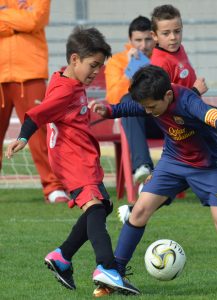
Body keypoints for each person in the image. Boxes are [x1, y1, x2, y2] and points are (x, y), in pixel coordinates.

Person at [91, 65, 217, 295]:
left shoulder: (188, 101)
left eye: (152, 107)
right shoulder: (153, 100)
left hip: (209, 167)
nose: (148, 112)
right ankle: (115, 274)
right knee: (138, 212)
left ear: (167, 95)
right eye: (146, 107)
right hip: (173, 163)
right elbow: (132, 108)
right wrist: (109, 110)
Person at [5, 26, 140, 297]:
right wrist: (23, 137)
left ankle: (62, 257)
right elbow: (36, 114)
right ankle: (107, 267)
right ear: (75, 59)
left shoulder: (65, 80)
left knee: (100, 206)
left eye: (100, 67)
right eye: (93, 65)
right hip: (73, 161)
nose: (96, 72)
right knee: (95, 211)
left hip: (82, 159)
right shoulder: (65, 90)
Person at [118, 4, 217, 223]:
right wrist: (195, 91)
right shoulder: (160, 63)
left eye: (177, 31)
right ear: (155, 36)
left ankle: (137, 208)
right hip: (178, 123)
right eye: (166, 33)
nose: (173, 37)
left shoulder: (178, 51)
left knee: (213, 154)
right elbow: (168, 102)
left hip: (190, 120)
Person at [0, 0, 69, 203]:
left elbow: (33, 21)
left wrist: (5, 15)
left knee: (41, 132)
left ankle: (54, 187)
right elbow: (26, 21)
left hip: (31, 72)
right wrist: (19, 16)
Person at [104, 15, 163, 184]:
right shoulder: (117, 62)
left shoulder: (163, 57)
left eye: (148, 39)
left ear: (154, 37)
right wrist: (131, 71)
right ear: (130, 40)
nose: (143, 46)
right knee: (128, 101)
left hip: (165, 119)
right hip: (137, 121)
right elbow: (115, 100)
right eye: (138, 40)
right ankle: (143, 167)